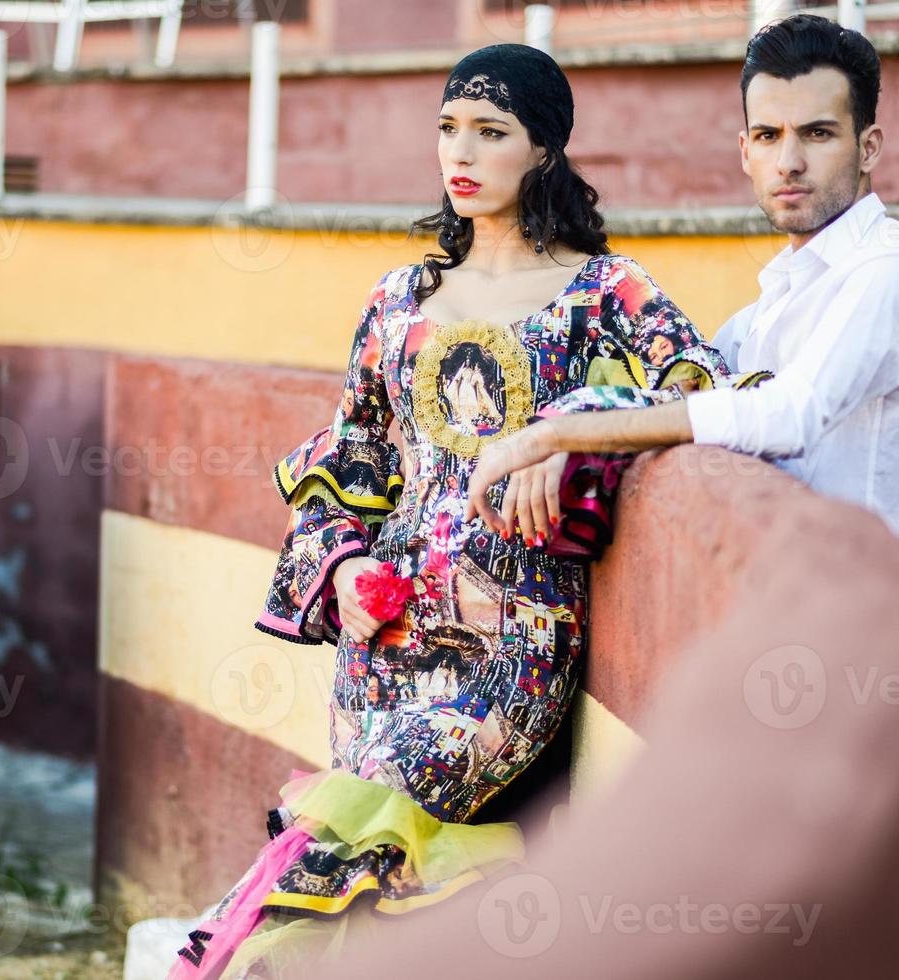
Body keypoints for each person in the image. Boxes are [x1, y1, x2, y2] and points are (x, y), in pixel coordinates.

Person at [170, 43, 757, 980]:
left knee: (350, 830)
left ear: (544, 152)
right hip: (386, 638)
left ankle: (218, 960)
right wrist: (345, 569)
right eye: (449, 128)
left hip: (514, 641)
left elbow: (708, 390)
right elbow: (350, 457)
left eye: (492, 131)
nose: (463, 152)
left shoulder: (604, 294)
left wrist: (572, 426)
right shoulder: (398, 299)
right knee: (380, 876)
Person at [465, 15, 899, 756]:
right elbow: (676, 399)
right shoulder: (771, 305)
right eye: (767, 137)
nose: (789, 161)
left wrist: (556, 434)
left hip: (864, 691)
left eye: (818, 134)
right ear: (744, 151)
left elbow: (787, 414)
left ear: (868, 147)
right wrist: (578, 429)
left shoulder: (896, 276)